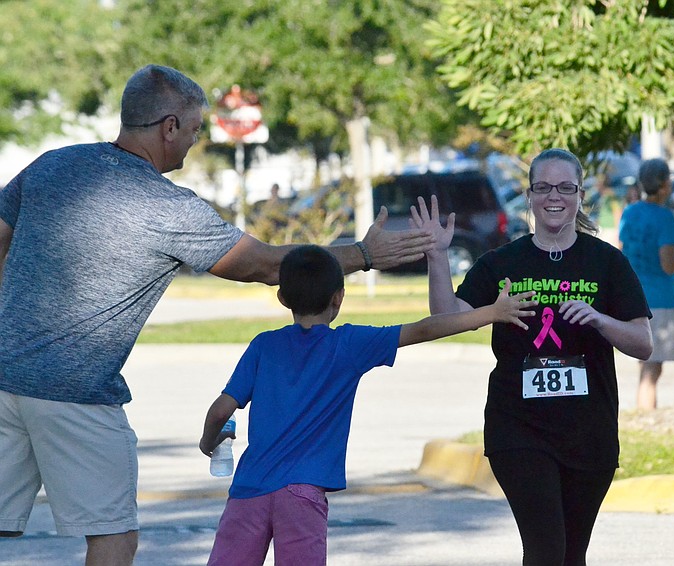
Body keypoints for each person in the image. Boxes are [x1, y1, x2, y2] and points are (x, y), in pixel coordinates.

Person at [0, 64, 433, 565]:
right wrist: (363, 254)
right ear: (168, 127)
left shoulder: (54, 165)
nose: (194, 140)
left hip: (3, 377)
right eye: (194, 128)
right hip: (76, 394)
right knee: (112, 535)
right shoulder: (168, 209)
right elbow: (269, 267)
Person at [199, 244, 537, 566]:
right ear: (338, 298)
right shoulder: (349, 344)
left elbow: (220, 410)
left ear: (282, 297)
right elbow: (425, 328)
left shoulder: (264, 345)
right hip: (303, 493)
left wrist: (207, 442)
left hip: (249, 489)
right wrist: (492, 312)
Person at [412, 148, 653, 566]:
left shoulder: (606, 263)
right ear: (529, 196)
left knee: (571, 553)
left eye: (564, 187)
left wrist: (599, 319)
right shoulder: (501, 263)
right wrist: (437, 257)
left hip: (589, 431)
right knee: (546, 550)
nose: (553, 196)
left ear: (580, 195)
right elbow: (447, 317)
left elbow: (642, 342)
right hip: (519, 429)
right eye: (543, 187)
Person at [619, 158, 674, 411]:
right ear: (665, 184)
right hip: (661, 299)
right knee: (652, 370)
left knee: (645, 366)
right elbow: (668, 264)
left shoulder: (630, 211)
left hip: (633, 296)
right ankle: (647, 416)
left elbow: (622, 251)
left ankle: (645, 413)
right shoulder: (665, 217)